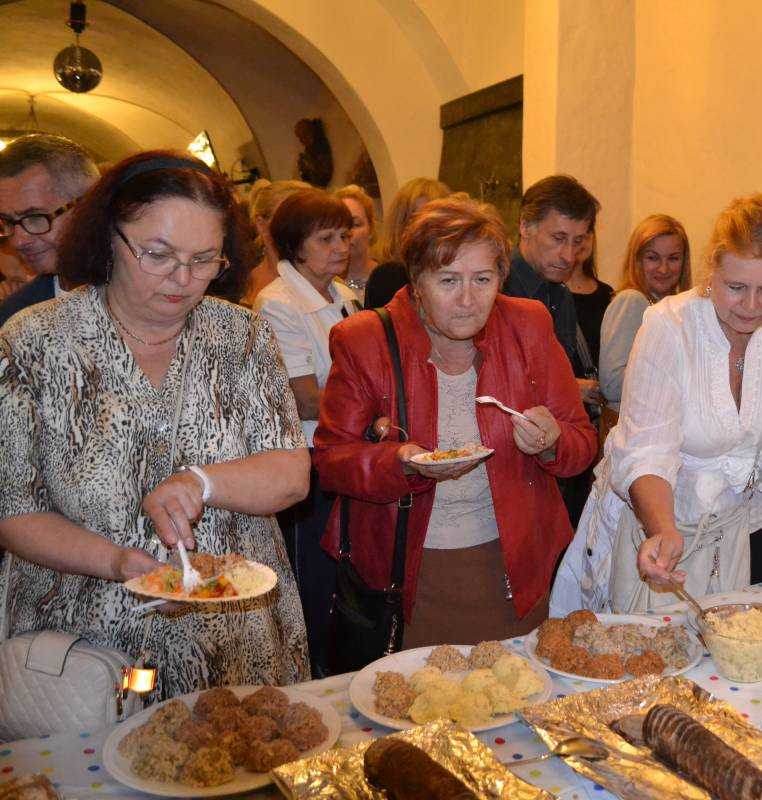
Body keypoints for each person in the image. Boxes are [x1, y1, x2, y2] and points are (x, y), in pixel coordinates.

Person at [0, 151, 310, 698]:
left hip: (235, 639)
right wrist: (119, 562)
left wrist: (200, 481)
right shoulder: (34, 342)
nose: (184, 279)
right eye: (158, 255)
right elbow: (14, 509)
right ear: (107, 238)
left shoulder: (241, 337)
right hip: (86, 649)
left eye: (204, 259)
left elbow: (291, 473)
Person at [314, 197, 596, 648]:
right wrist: (401, 461)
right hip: (411, 574)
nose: (468, 300)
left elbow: (582, 442)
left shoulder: (528, 325)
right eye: (448, 280)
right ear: (417, 282)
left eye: (482, 280)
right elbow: (331, 461)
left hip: (514, 570)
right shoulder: (365, 340)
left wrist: (551, 442)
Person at [550, 194, 762, 615]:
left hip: (758, 527)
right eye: (736, 287)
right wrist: (662, 530)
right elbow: (647, 449)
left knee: (747, 657)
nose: (751, 306)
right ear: (712, 271)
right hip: (669, 524)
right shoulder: (670, 327)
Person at [252, 188, 359, 676]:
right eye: (327, 238)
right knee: (315, 579)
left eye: (345, 235)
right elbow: (302, 397)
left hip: (349, 452)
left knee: (348, 576)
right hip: (309, 461)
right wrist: (372, 410)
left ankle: (342, 666)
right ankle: (312, 673)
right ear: (296, 245)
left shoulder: (346, 295)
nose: (342, 246)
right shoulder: (278, 303)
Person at [503, 175, 602, 525]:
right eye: (558, 239)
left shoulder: (560, 296)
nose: (569, 256)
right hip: (505, 469)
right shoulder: (494, 286)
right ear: (525, 226)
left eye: (578, 242)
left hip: (552, 467)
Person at [0, 133, 99, 328]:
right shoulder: (12, 319)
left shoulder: (155, 296)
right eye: (7, 221)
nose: (18, 241)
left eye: (36, 217)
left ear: (90, 204)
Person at [598, 214, 692, 413]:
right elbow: (612, 386)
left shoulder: (679, 308)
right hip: (636, 435)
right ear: (637, 259)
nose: (664, 268)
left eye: (673, 258)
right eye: (653, 258)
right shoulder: (632, 301)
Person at [364, 177, 452, 308]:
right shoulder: (389, 277)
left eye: (435, 220)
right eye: (416, 219)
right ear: (400, 224)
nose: (425, 228)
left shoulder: (456, 273)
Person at [242, 178, 311, 305]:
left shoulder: (323, 280)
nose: (300, 229)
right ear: (261, 225)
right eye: (289, 220)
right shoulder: (240, 281)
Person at [565, 226, 614, 384]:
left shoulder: (608, 294)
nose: (580, 243)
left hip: (598, 404)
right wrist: (572, 386)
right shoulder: (547, 293)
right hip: (560, 402)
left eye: (585, 235)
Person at [332, 184, 379, 302]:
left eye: (355, 224)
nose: (348, 233)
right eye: (339, 224)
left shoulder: (389, 278)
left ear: (371, 229)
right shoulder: (323, 283)